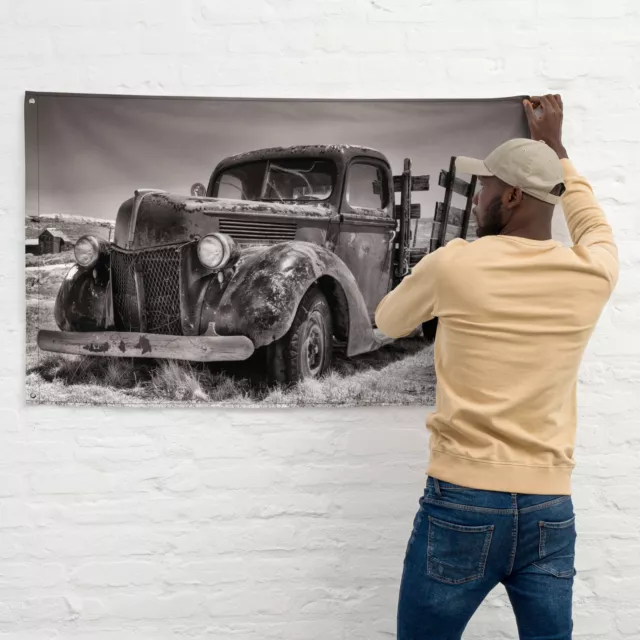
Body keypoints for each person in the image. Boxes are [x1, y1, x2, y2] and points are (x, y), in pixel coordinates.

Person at [374, 94, 618, 640]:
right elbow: (594, 225)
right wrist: (557, 151)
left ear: (509, 196)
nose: (478, 194)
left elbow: (387, 321)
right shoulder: (593, 273)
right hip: (550, 508)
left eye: (484, 186)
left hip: (461, 500)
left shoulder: (456, 262)